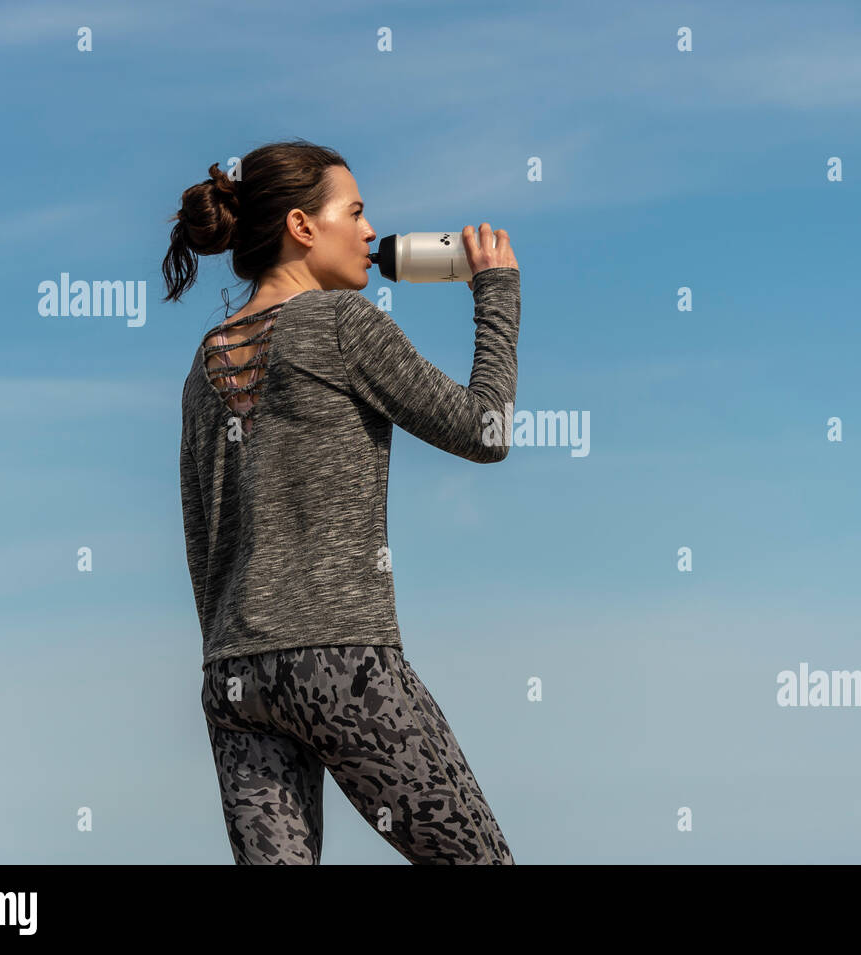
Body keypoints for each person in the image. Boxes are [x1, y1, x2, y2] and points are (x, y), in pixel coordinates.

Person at [162, 139, 521, 864]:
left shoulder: (202, 368)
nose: (368, 232)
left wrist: (233, 650)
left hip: (234, 674)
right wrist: (497, 291)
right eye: (353, 212)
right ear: (301, 226)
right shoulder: (342, 323)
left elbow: (204, 545)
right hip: (341, 659)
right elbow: (486, 430)